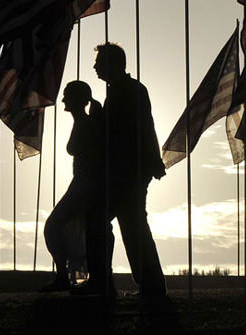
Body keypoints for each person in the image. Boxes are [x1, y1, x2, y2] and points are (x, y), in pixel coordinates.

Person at [73, 42, 167, 298]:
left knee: (98, 216)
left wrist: (153, 161)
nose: (95, 66)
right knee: (132, 224)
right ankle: (151, 286)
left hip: (127, 170)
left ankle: (103, 282)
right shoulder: (121, 90)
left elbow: (140, 127)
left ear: (113, 64)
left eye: (99, 62)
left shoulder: (128, 90)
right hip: (128, 169)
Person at [40, 80, 107, 292]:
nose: (63, 99)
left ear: (78, 100)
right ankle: (64, 274)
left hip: (85, 185)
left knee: (54, 225)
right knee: (60, 227)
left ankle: (64, 275)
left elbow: (94, 160)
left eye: (67, 95)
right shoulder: (82, 123)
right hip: (79, 182)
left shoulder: (86, 125)